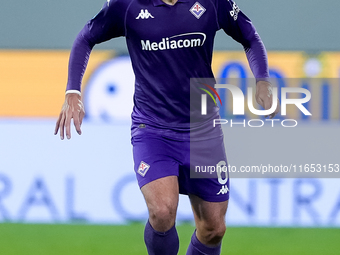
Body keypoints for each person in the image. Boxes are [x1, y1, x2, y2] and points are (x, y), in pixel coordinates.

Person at [54, 0, 279, 254]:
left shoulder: (212, 3)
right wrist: (73, 89)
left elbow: (250, 36)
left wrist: (263, 79)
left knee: (214, 229)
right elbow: (86, 37)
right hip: (152, 129)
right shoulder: (127, 6)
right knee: (162, 212)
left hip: (203, 129)